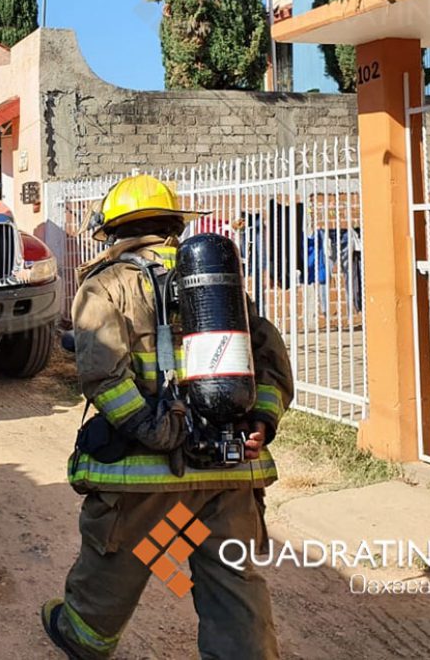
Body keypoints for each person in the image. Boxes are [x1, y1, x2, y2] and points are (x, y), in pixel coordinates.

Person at [40, 175, 294, 660]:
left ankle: (82, 637)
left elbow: (104, 378)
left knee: (116, 561)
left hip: (147, 476)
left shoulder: (106, 285)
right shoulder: (219, 281)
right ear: (175, 224)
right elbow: (268, 359)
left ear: (112, 231)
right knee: (231, 579)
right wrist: (260, 421)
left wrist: (157, 432)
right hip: (229, 467)